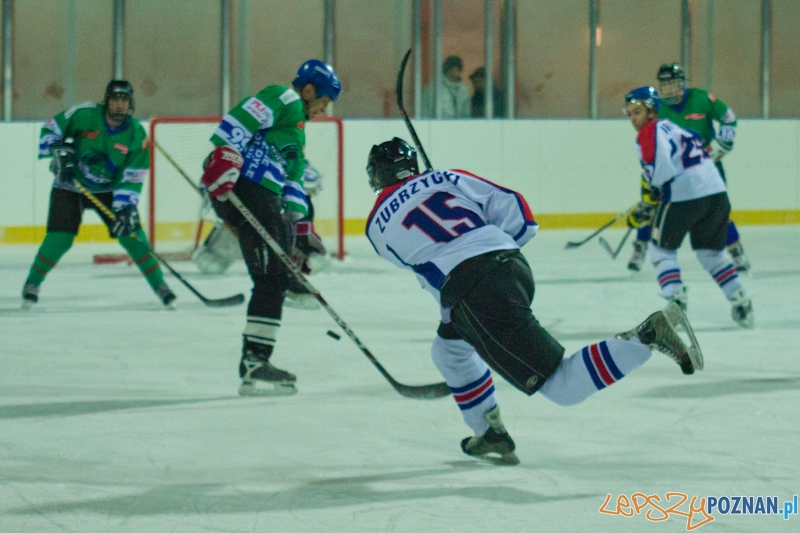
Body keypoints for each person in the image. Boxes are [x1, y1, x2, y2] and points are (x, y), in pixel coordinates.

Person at [365, 137, 703, 464]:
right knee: (448, 350)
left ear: (377, 177)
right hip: (511, 264)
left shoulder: (376, 226)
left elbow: (423, 266)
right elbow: (514, 206)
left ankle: (646, 336)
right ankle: (489, 431)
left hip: (473, 291)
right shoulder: (445, 176)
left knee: (563, 387)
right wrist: (496, 248)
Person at [200, 59, 341, 396]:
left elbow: (293, 180)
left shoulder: (297, 134)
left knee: (270, 279)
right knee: (274, 277)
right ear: (309, 91)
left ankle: (255, 361)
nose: (324, 109)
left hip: (263, 197)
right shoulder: (285, 98)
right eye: (324, 101)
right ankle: (257, 355)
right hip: (247, 186)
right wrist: (225, 154)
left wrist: (299, 224)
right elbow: (240, 119)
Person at [22, 80, 176, 310]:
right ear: (107, 100)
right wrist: (56, 150)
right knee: (59, 238)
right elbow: (52, 128)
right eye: (115, 99)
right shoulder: (85, 114)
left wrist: (125, 207)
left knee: (133, 236)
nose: (120, 104)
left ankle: (160, 285)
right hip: (71, 184)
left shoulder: (136, 133)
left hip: (110, 190)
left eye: (124, 100)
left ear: (130, 103)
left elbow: (133, 174)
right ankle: (32, 283)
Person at [624, 86, 754, 328]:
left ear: (652, 111)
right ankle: (741, 300)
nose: (633, 118)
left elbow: (661, 170)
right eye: (629, 113)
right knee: (711, 254)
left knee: (660, 250)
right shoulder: (673, 128)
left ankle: (676, 302)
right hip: (716, 193)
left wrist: (650, 200)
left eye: (637, 112)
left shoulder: (648, 132)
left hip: (684, 195)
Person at [627, 63, 750, 273]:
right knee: (655, 209)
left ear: (682, 83)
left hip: (706, 169)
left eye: (673, 84)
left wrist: (723, 144)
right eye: (664, 85)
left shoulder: (702, 99)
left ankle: (736, 251)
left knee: (717, 212)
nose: (668, 89)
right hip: (673, 172)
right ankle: (640, 248)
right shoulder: (656, 108)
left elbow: (728, 118)